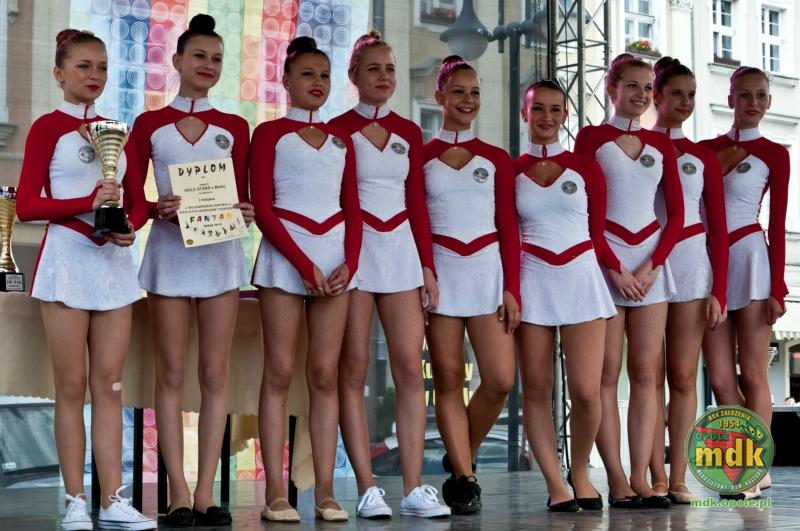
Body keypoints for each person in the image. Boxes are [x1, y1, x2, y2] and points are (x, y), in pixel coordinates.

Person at [16, 29, 155, 531]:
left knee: (110, 386)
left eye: (101, 67)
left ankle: (113, 499)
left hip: (112, 265)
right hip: (67, 262)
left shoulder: (118, 129)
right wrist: (87, 203)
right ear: (59, 73)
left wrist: (130, 225)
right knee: (71, 386)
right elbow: (27, 204)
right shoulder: (46, 128)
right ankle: (75, 499)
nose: (94, 75)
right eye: (83, 66)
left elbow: (137, 201)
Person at [130, 14, 253, 527]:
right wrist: (154, 207)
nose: (208, 65)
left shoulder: (236, 127)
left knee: (214, 374)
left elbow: (243, 195)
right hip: (170, 256)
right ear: (177, 61)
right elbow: (132, 197)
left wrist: (245, 211)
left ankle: (205, 494)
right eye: (199, 56)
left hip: (220, 257)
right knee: (171, 373)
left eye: (217, 58)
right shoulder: (148, 124)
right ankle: (177, 492)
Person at [328, 30, 449, 519]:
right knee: (353, 369)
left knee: (409, 369)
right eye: (373, 68)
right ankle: (366, 487)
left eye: (390, 69)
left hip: (401, 254)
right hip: (354, 256)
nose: (383, 77)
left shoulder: (409, 132)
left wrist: (428, 267)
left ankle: (415, 488)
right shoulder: (336, 129)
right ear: (354, 75)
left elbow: (417, 202)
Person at [249, 36, 361, 523]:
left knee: (323, 375)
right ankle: (276, 491)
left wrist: (349, 263)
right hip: (283, 260)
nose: (317, 83)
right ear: (286, 81)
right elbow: (263, 207)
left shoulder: (342, 140)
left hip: (334, 266)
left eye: (324, 76)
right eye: (307, 75)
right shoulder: (269, 134)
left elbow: (353, 208)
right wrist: (301, 263)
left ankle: (326, 492)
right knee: (278, 371)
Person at [574, 53, 684, 508]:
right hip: (606, 268)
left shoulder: (662, 145)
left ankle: (642, 476)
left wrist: (652, 266)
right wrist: (614, 268)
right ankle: (616, 478)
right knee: (605, 373)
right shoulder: (591, 138)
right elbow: (582, 209)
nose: (641, 95)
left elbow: (677, 216)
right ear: (611, 88)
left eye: (646, 87)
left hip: (651, 268)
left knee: (645, 373)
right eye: (632, 85)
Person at [423, 55, 521, 515]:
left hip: (487, 274)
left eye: (475, 92)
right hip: (441, 275)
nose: (468, 100)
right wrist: (425, 270)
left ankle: (461, 448)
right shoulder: (421, 157)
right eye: (458, 92)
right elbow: (417, 221)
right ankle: (464, 477)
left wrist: (512, 287)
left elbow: (508, 226)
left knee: (500, 379)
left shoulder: (496, 158)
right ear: (439, 96)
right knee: (448, 378)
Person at [515, 79, 616, 512]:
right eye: (538, 108)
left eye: (556, 109)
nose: (547, 117)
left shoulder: (586, 168)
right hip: (531, 279)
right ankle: (556, 484)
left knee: (587, 391)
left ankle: (580, 471)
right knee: (537, 389)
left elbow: (598, 232)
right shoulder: (510, 170)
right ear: (525, 113)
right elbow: (506, 232)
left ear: (566, 114)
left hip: (580, 278)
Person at [699, 65, 789, 500]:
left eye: (760, 95)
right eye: (745, 94)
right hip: (710, 265)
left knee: (754, 373)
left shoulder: (776, 153)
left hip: (752, 259)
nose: (753, 102)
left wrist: (778, 287)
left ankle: (753, 468)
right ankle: (740, 460)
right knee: (720, 379)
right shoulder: (705, 150)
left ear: (769, 102)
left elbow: (778, 221)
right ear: (730, 98)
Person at [645, 57, 729, 504]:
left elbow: (719, 229)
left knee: (682, 374)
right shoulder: (635, 148)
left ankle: (678, 476)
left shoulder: (702, 156)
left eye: (691, 95)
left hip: (693, 266)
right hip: (646, 264)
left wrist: (720, 290)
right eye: (676, 93)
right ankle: (654, 475)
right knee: (648, 374)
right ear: (656, 96)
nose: (685, 102)